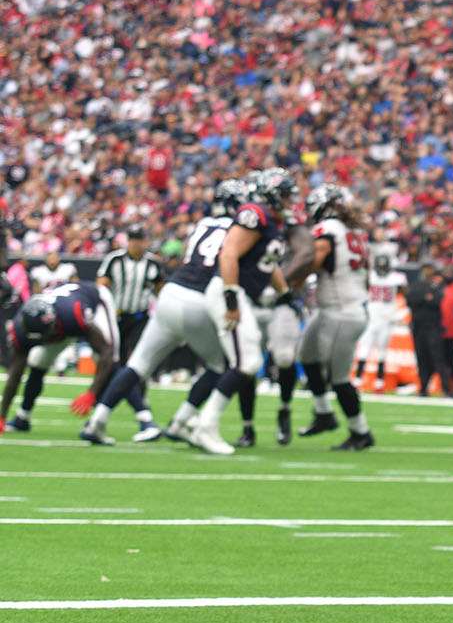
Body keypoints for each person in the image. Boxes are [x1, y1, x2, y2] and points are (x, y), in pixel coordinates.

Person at [81, 179, 250, 445]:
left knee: (137, 365)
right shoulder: (239, 229)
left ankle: (97, 421)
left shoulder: (203, 224)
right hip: (198, 299)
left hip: (172, 292)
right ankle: (181, 422)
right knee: (221, 366)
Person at [184, 168, 296, 455]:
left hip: (238, 293)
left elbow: (267, 263)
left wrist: (285, 293)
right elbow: (229, 253)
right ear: (271, 193)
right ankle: (204, 426)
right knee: (246, 362)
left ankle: (200, 423)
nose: (289, 200)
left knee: (248, 361)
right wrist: (231, 298)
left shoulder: (271, 220)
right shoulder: (254, 213)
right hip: (229, 291)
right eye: (285, 195)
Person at [294, 184, 374, 450]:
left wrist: (286, 283)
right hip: (340, 308)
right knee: (306, 354)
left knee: (338, 377)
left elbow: (312, 262)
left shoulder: (328, 230)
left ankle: (360, 431)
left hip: (341, 311)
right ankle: (323, 413)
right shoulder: (356, 232)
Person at [239, 207, 315, 448]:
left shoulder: (291, 225)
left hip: (282, 301)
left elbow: (306, 254)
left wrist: (283, 280)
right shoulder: (250, 222)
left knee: (284, 357)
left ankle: (284, 409)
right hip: (251, 299)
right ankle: (247, 426)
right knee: (247, 364)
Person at [1, 283, 119, 437]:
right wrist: (2, 416)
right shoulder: (20, 329)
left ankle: (142, 417)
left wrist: (92, 393)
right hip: (63, 322)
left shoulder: (73, 314)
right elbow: (15, 375)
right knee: (38, 361)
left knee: (112, 360)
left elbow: (106, 352)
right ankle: (23, 417)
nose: (45, 341)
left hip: (96, 301)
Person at [95, 225, 163, 416]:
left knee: (139, 355)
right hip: (116, 316)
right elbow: (102, 283)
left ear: (144, 241)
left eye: (138, 239)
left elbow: (160, 287)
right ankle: (101, 395)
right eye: (132, 239)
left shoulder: (152, 263)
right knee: (112, 356)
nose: (135, 243)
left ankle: (141, 395)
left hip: (140, 316)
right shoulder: (114, 259)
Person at [353, 252, 408, 393]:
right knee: (364, 351)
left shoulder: (396, 279)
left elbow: (405, 295)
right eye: (380, 267)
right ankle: (358, 380)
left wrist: (401, 312)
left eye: (384, 267)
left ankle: (379, 383)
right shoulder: (370, 277)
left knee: (382, 353)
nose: (382, 270)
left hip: (386, 321)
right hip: (371, 320)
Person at [407, 262, 447, 397]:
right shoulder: (416, 285)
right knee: (421, 357)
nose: (427, 272)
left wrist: (423, 299)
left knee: (437, 358)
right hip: (418, 327)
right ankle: (423, 387)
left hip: (433, 327)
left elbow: (436, 300)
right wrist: (425, 298)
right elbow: (410, 299)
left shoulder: (437, 285)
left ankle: (445, 388)